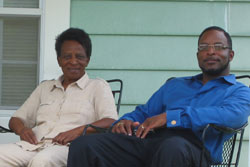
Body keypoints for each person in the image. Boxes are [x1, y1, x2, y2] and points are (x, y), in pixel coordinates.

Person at [67, 26, 250, 167]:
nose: (210, 51)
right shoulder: (176, 85)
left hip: (195, 152)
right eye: (204, 47)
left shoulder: (238, 91)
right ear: (198, 55)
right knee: (85, 145)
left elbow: (233, 116)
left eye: (218, 47)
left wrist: (171, 117)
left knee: (172, 147)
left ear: (230, 55)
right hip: (149, 144)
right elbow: (144, 112)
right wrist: (124, 122)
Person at [0, 28, 118, 167]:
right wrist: (22, 130)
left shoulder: (98, 87)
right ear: (59, 60)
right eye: (67, 57)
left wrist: (78, 131)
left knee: (41, 161)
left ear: (87, 60)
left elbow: (111, 121)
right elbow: (16, 119)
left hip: (70, 148)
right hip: (33, 146)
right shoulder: (45, 88)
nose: (73, 62)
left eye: (79, 57)